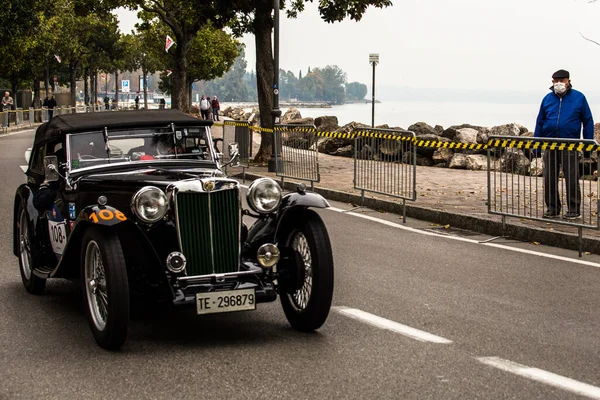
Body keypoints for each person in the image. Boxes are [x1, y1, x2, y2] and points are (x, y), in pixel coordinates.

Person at [534, 69, 594, 220]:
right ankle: (552, 208)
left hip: (570, 144)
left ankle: (574, 209)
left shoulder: (579, 98)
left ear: (568, 81)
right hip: (550, 144)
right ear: (552, 82)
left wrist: (587, 146)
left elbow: (587, 121)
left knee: (572, 177)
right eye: (556, 81)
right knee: (549, 177)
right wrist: (536, 145)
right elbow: (540, 121)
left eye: (562, 80)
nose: (559, 83)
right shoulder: (547, 99)